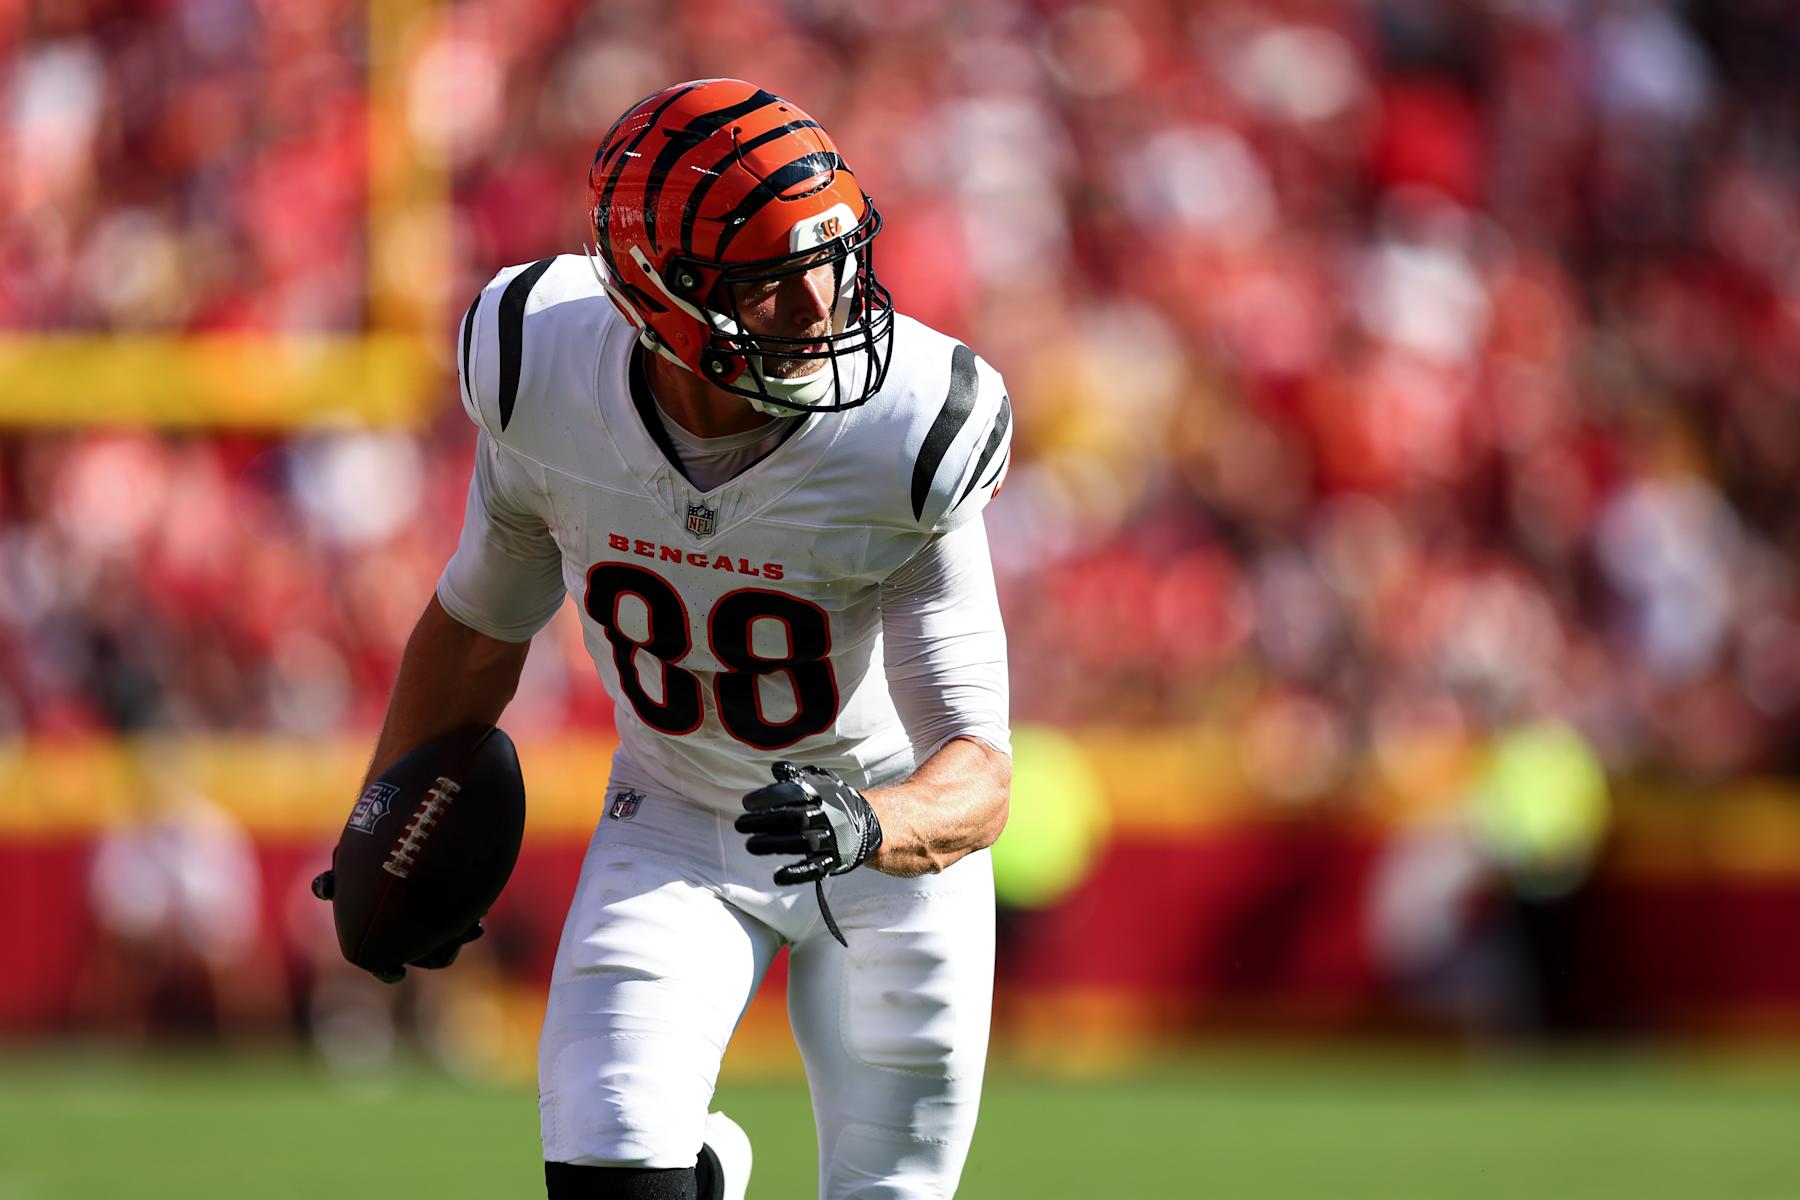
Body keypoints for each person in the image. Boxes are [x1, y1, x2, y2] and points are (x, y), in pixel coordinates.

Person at [361, 79, 1014, 1199]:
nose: (822, 305)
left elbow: (981, 773)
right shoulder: (541, 371)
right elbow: (479, 624)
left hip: (892, 855)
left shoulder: (912, 427)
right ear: (662, 296)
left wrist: (870, 821)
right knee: (609, 1165)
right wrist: (384, 813)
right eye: (772, 284)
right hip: (676, 818)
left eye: (835, 257)